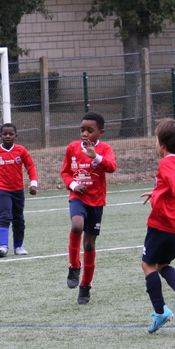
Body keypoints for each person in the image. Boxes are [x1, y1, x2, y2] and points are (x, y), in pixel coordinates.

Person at [141, 120, 175, 333]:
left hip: (162, 223)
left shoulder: (166, 163)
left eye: (156, 140)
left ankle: (160, 311)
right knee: (162, 265)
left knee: (147, 265)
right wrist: (157, 193)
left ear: (162, 144)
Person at [60, 111, 116, 305]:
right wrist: (74, 185)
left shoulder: (105, 149)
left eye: (89, 130)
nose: (85, 134)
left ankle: (85, 285)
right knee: (77, 225)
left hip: (97, 202)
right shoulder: (72, 148)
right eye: (82, 130)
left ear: (100, 133)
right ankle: (74, 266)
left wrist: (96, 157)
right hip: (78, 197)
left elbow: (111, 167)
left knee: (89, 245)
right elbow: (66, 172)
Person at [0, 122, 38, 257]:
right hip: (2, 189)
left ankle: (18, 246)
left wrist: (33, 183)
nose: (8, 136)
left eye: (11, 134)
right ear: (0, 136)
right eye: (5, 134)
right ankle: (3, 246)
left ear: (16, 136)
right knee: (5, 216)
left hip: (18, 190)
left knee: (18, 218)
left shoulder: (21, 150)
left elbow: (30, 166)